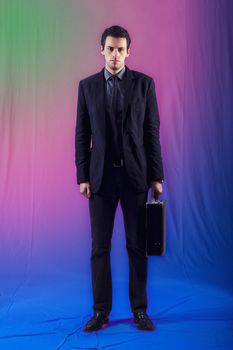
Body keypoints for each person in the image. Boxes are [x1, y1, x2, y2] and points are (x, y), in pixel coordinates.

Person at [75, 25, 164, 332]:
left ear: (129, 51)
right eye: (110, 49)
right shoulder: (86, 87)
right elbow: (81, 134)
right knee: (99, 247)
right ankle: (101, 311)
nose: (115, 55)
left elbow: (152, 133)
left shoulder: (145, 85)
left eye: (120, 49)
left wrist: (157, 176)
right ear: (102, 50)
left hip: (135, 177)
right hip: (99, 180)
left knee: (136, 246)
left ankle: (140, 310)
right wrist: (82, 175)